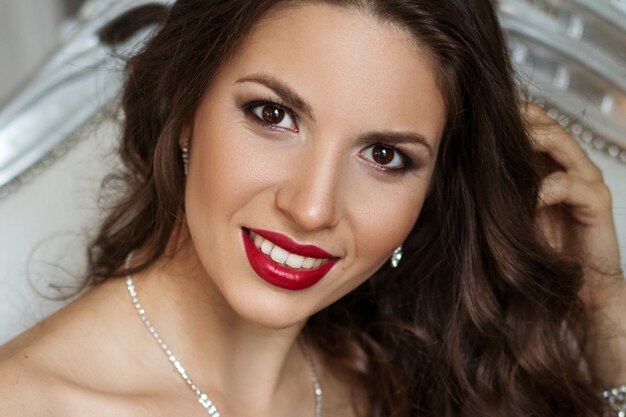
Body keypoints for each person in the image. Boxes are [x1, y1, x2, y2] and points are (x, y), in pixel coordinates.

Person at [0, 0, 623, 416]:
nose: (312, 208)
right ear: (185, 109)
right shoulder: (27, 400)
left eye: (384, 155)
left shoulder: (398, 384)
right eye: (272, 115)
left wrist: (603, 314)